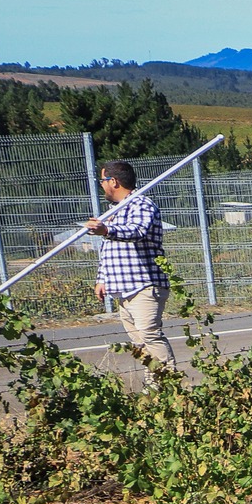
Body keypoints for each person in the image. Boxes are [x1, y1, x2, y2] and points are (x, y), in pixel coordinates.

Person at [86, 160, 178, 377]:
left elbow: (137, 231)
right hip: (122, 288)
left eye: (103, 180)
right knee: (139, 343)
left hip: (143, 285)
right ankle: (154, 383)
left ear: (114, 182)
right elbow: (109, 249)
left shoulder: (141, 205)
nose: (102, 185)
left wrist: (106, 230)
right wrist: (102, 278)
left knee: (150, 335)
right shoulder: (115, 211)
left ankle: (169, 383)